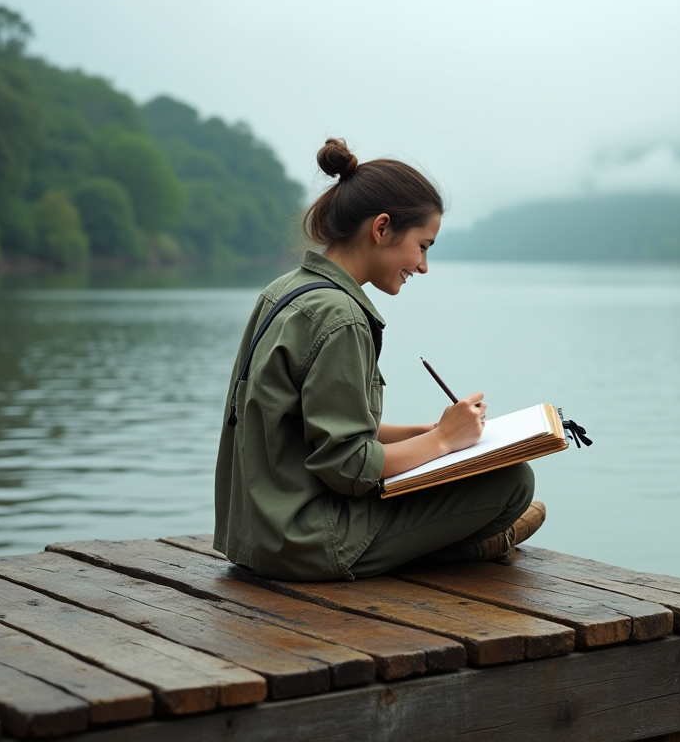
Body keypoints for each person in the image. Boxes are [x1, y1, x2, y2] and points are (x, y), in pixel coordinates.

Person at [214, 138, 544, 581]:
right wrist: (444, 444)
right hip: (306, 542)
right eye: (423, 245)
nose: (423, 266)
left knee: (489, 475)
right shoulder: (342, 317)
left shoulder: (284, 291)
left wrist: (429, 432)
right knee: (512, 482)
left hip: (258, 535)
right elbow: (347, 466)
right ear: (382, 228)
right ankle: (464, 549)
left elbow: (312, 429)